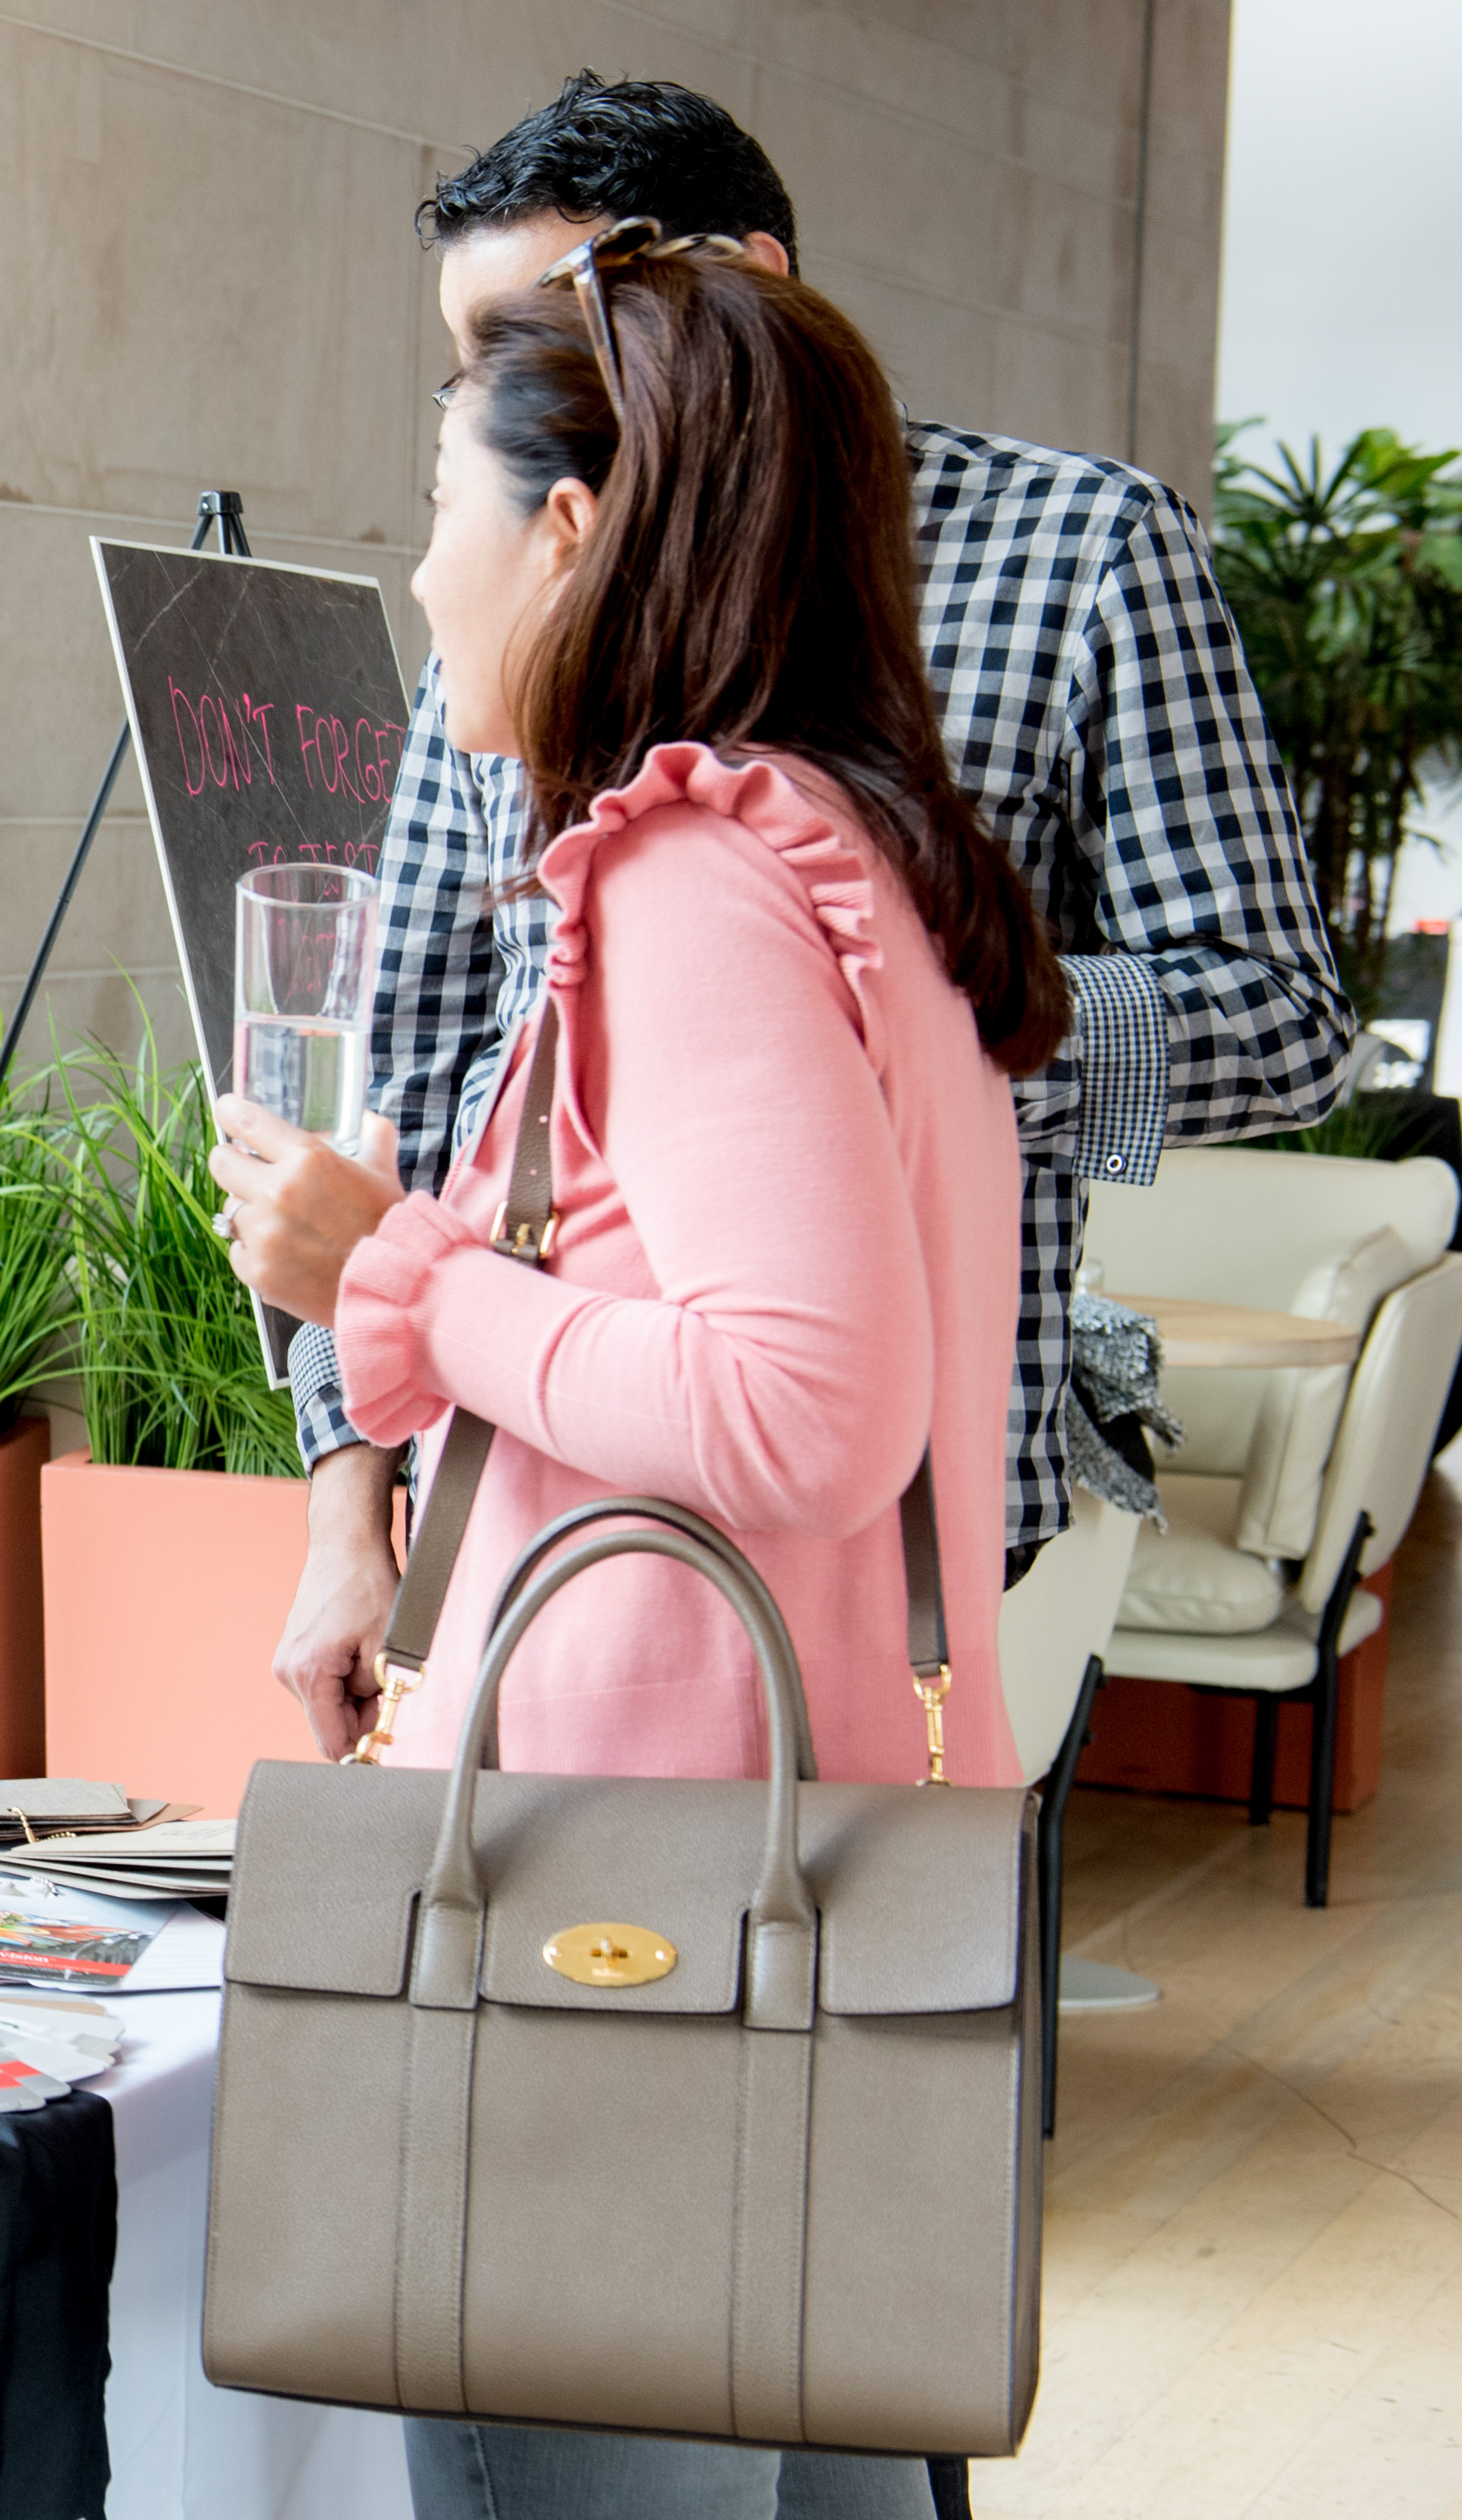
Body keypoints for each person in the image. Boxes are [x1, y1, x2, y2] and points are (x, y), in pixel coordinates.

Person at [211, 227, 1050, 2520]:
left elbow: (802, 1403)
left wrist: (392, 1265)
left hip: (616, 1908)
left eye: (440, 508)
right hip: (813, 1877)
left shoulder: (688, 875)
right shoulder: (857, 859)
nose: (421, 576)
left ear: (568, 528)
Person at [273, 76, 1350, 1771]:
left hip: (871, 1519)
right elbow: (414, 1086)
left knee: (831, 1904)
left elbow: (1282, 1017)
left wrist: (901, 1047)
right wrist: (352, 1508)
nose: (504, 399)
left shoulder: (1078, 558)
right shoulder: (514, 633)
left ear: (743, 287)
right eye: (471, 364)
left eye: (554, 334)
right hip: (543, 1507)